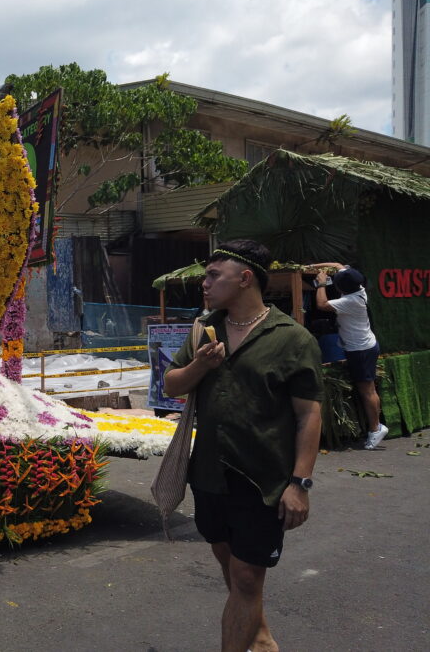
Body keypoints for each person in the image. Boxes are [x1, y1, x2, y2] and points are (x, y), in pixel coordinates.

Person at [164, 240, 323, 652]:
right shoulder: (204, 328)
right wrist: (201, 364)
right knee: (231, 566)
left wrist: (299, 483)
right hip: (209, 474)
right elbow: (171, 384)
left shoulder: (292, 338)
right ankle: (263, 637)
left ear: (246, 278)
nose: (205, 283)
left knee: (248, 577)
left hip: (263, 478)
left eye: (215, 275)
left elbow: (309, 415)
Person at [313, 263, 388, 450]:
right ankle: (376, 426)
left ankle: (375, 428)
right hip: (365, 345)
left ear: (339, 288)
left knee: (367, 390)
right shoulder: (358, 287)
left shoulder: (351, 301)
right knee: (368, 388)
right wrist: (312, 266)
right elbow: (338, 265)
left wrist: (321, 284)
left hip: (360, 349)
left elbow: (321, 305)